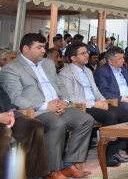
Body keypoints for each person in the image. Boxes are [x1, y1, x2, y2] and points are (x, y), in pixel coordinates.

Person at [0, 33, 94, 179]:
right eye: (39, 47)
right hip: (36, 110)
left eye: (44, 47)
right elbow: (16, 99)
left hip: (59, 106)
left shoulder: (48, 64)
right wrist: (46, 106)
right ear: (26, 48)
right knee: (58, 124)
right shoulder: (12, 69)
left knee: (86, 120)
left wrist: (65, 102)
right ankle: (52, 170)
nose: (43, 50)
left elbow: (61, 87)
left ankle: (69, 164)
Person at [59, 42, 128, 168]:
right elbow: (71, 98)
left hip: (96, 103)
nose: (86, 55)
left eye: (86, 52)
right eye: (82, 53)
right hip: (83, 107)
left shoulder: (87, 70)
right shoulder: (65, 73)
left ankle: (113, 151)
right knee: (111, 116)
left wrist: (103, 101)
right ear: (73, 57)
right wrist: (94, 103)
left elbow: (96, 90)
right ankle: (107, 155)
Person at [0, 85, 49, 179]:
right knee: (4, 132)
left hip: (6, 116)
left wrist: (10, 112)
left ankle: (36, 175)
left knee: (34, 125)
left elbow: (3, 95)